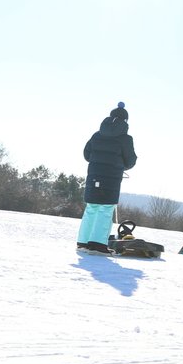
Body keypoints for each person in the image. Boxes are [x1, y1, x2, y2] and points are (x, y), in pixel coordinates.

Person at [78, 103, 137, 254]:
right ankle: (97, 245)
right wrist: (119, 164)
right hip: (111, 179)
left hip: (93, 176)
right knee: (105, 209)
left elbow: (86, 154)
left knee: (91, 207)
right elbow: (130, 161)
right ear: (125, 122)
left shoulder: (97, 135)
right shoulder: (125, 139)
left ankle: (83, 242)